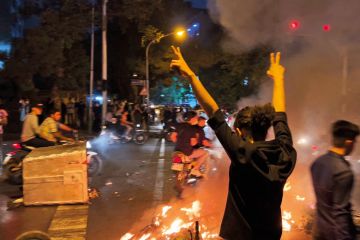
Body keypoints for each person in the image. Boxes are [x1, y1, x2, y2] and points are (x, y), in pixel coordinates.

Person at [170, 47, 296, 240]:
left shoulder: (242, 152)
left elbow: (213, 111)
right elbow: (280, 117)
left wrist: (191, 76)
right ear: (266, 126)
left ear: (238, 131)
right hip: (271, 235)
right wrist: (279, 79)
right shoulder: (285, 152)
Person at [311, 120, 359, 240]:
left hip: (319, 232)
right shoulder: (344, 172)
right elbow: (340, 213)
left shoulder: (317, 163)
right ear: (349, 142)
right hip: (335, 235)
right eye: (355, 142)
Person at [171, 111, 209, 178]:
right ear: (192, 118)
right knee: (205, 153)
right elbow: (193, 143)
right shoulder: (192, 128)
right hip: (187, 152)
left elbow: (172, 137)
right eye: (196, 118)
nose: (197, 119)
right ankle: (195, 169)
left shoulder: (180, 125)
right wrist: (198, 143)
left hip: (176, 150)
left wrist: (180, 142)